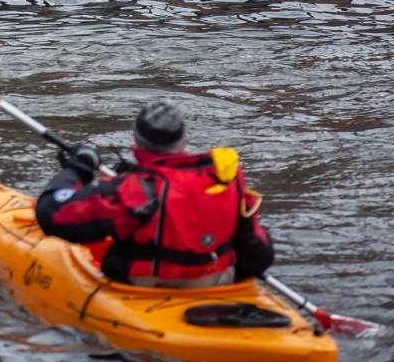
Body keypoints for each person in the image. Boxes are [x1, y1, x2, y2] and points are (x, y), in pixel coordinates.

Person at [35, 100, 274, 288]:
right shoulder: (225, 180)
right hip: (214, 283)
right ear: (184, 141)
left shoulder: (135, 190)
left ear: (136, 143)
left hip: (146, 285)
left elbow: (52, 213)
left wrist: (80, 166)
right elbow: (259, 254)